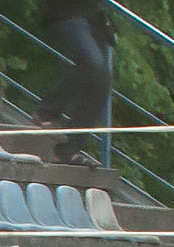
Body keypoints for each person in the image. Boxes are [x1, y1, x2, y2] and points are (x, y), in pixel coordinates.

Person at [36, 0, 115, 166]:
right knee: (93, 65)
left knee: (101, 81)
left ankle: (71, 148)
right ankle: (48, 111)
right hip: (65, 12)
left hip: (93, 17)